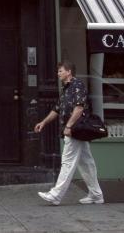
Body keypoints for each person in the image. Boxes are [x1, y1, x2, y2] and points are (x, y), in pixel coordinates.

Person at [34, 60, 104, 206]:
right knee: (86, 163)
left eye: (60, 71)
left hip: (76, 130)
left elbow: (79, 108)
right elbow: (57, 109)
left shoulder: (78, 86)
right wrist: (44, 122)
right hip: (75, 130)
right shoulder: (66, 89)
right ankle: (96, 195)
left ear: (68, 72)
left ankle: (55, 195)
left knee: (67, 162)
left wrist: (69, 126)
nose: (58, 73)